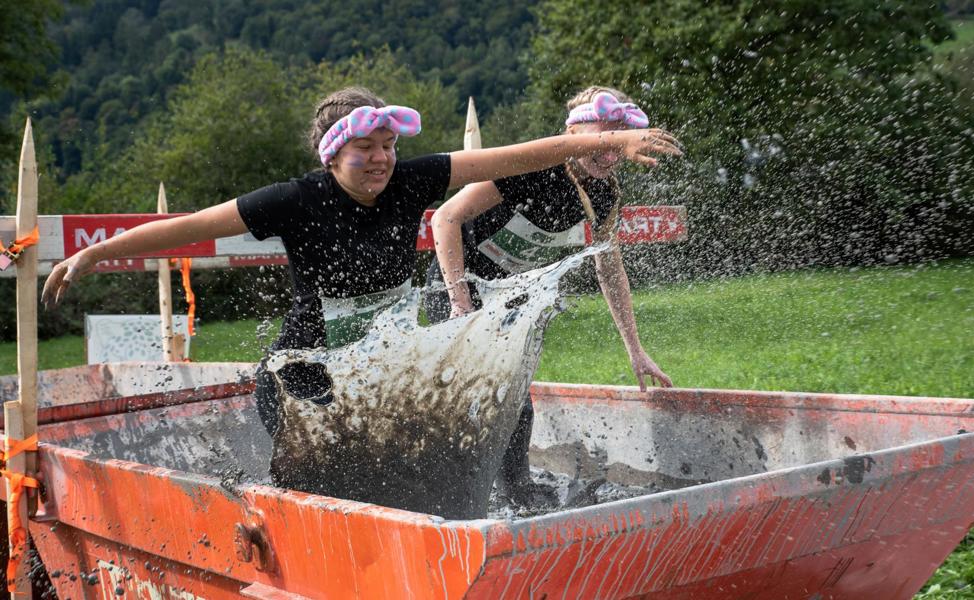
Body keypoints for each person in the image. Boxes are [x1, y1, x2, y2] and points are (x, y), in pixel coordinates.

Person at [41, 85, 681, 493]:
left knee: (401, 458)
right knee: (311, 478)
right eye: (364, 150)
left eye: (388, 146)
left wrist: (619, 139)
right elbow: (191, 227)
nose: (380, 160)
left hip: (383, 353)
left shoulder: (411, 181)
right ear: (331, 156)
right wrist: (98, 251)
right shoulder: (295, 200)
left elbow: (514, 155)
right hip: (304, 369)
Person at [425, 86, 675, 502]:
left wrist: (635, 349)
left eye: (618, 141)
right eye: (602, 139)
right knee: (471, 394)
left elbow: (609, 267)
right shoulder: (532, 166)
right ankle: (456, 483)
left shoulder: (604, 192)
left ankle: (515, 491)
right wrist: (459, 303)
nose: (610, 153)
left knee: (515, 399)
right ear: (573, 132)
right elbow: (446, 218)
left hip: (510, 294)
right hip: (457, 285)